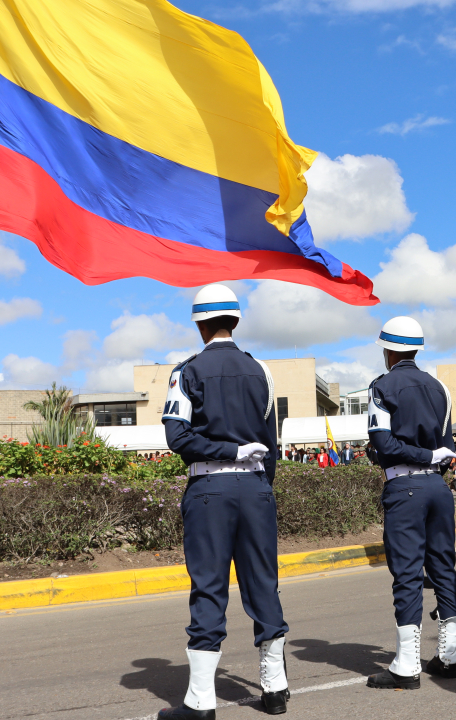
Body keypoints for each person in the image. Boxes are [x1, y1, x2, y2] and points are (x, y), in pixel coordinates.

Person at [159, 284, 290, 717]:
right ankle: (275, 687)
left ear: (199, 324)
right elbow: (272, 441)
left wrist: (226, 452)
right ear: (236, 320)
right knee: (262, 583)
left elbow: (176, 436)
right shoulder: (262, 371)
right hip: (255, 489)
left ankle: (201, 700)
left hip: (210, 490)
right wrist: (258, 482)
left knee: (209, 586)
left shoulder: (187, 371)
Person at [363, 316, 456, 689]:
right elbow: (448, 447)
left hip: (405, 487)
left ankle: (407, 666)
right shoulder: (440, 388)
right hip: (438, 488)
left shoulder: (382, 386)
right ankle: (449, 656)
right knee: (443, 567)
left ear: (388, 351)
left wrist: (391, 455)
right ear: (417, 349)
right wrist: (430, 456)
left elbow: (384, 444)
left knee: (407, 574)